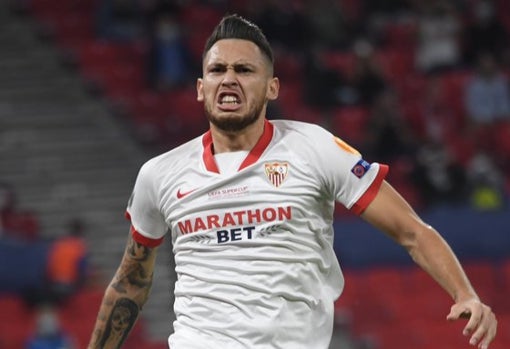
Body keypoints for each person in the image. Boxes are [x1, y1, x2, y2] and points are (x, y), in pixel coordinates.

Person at [87, 14, 497, 349]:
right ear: (200, 88)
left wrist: (465, 294)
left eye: (244, 70)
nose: (228, 79)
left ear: (272, 87)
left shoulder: (314, 148)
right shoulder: (159, 174)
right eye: (217, 70)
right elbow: (130, 283)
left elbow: (411, 231)